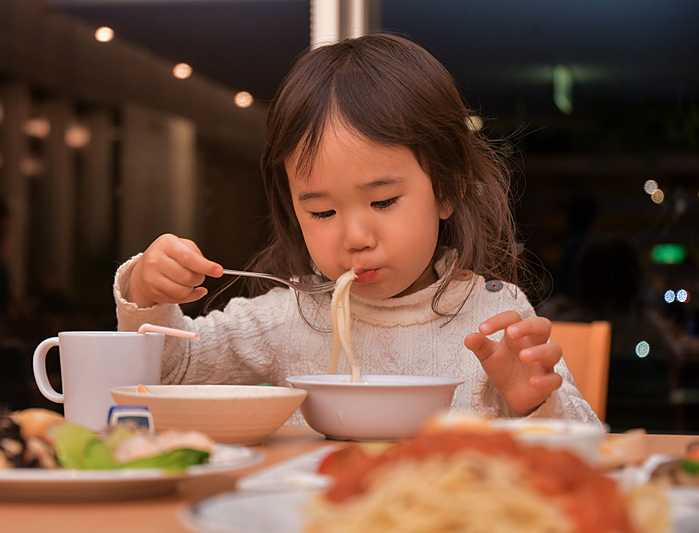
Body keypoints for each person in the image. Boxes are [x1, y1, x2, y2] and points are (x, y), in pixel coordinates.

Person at [114, 34, 599, 425]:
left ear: (447, 190)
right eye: (322, 212)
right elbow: (170, 374)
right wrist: (146, 294)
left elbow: (590, 449)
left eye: (384, 201)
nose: (355, 237)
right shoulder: (290, 316)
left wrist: (535, 405)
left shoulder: (496, 315)